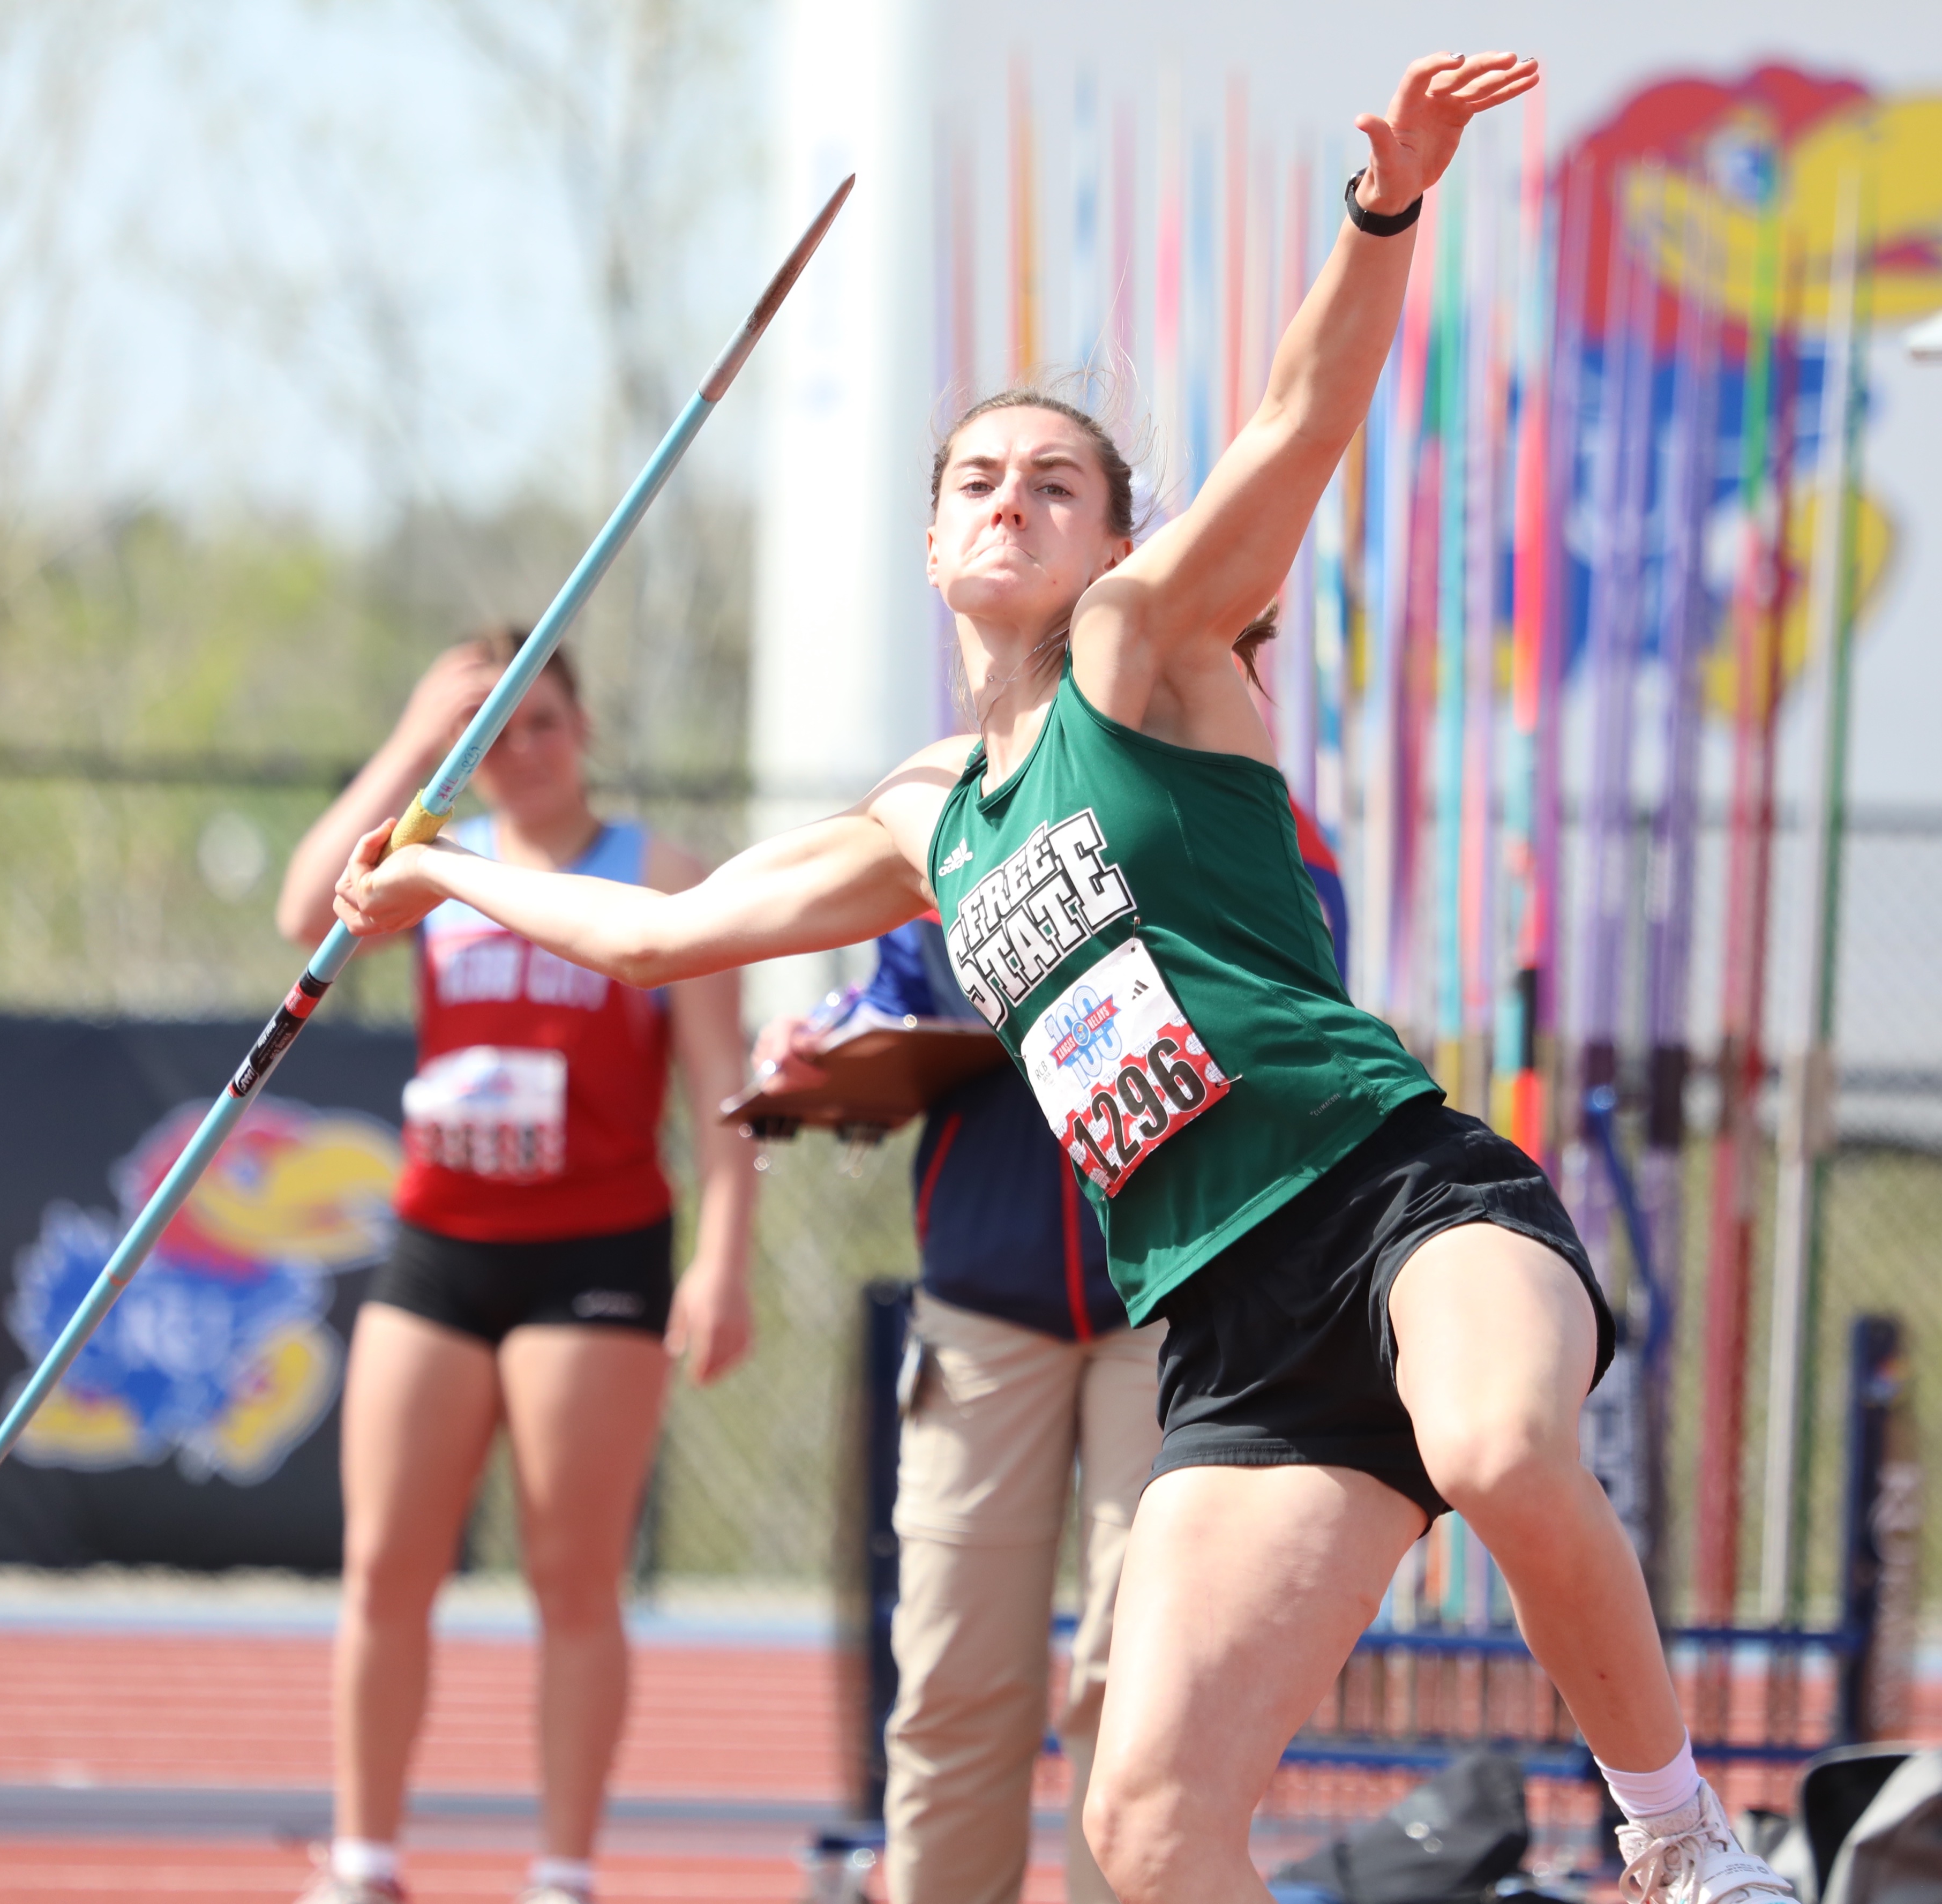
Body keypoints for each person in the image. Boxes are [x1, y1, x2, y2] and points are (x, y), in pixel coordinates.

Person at [326, 55, 1793, 1904]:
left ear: (1115, 538)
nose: (1010, 502)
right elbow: (652, 935)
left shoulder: (1144, 654)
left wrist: (1385, 210)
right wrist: (441, 868)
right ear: (934, 539)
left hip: (1391, 1194)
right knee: (1143, 1825)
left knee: (1499, 1444)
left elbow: (1297, 424)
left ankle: (1683, 1839)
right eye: (977, 481)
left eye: (1055, 483)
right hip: (1226, 1324)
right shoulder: (924, 815)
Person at [277, 628, 758, 1904]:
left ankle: (560, 1872)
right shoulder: (434, 866)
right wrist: (412, 744)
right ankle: (364, 1861)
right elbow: (302, 912)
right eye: (490, 733)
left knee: (572, 1576)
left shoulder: (655, 873)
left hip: (592, 1256)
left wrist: (724, 1257)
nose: (521, 751)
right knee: (385, 1563)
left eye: (540, 721)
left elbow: (721, 1087)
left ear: (583, 729)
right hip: (438, 1248)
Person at [759, 914, 1160, 1904]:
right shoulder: (941, 842)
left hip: (1173, 1288)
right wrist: (825, 1039)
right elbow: (897, 1000)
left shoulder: (1256, 822)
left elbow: (1294, 976)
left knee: (1143, 1676)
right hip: (982, 1299)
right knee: (953, 1674)